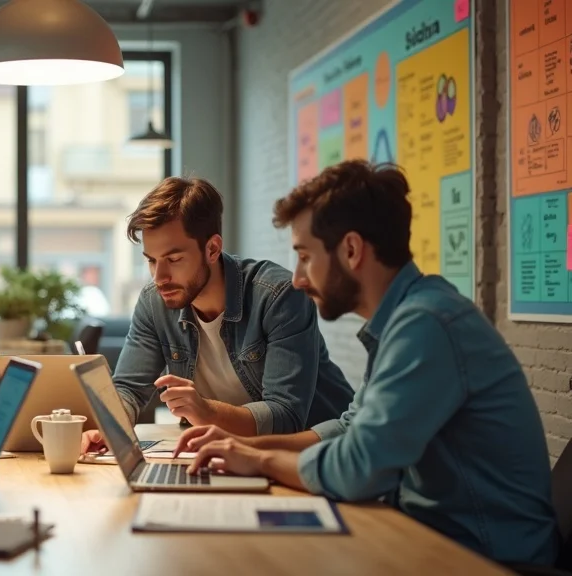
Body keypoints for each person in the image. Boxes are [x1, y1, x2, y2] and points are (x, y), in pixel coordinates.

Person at [179, 160, 559, 566]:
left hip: (485, 559)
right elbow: (349, 427)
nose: (298, 279)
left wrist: (256, 460)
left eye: (305, 256)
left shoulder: (426, 325)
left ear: (352, 250)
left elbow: (358, 469)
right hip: (435, 539)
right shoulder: (409, 317)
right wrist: (242, 445)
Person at [81, 176, 354, 454]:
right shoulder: (154, 301)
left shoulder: (278, 295)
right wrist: (110, 427)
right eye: (151, 260)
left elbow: (286, 416)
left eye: (174, 260)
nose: (159, 277)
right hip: (230, 451)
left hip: (318, 455)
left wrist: (206, 410)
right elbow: (128, 388)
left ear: (212, 248)